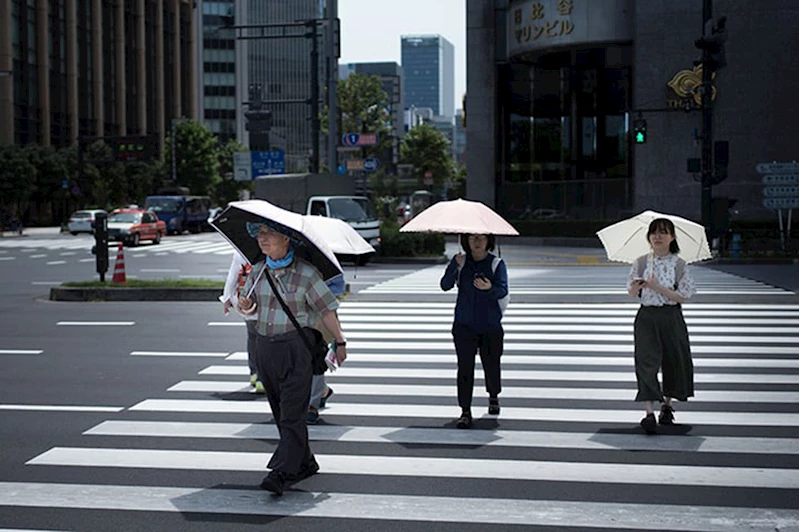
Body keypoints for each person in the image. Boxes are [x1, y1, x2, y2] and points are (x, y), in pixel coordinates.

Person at [237, 221, 347, 496]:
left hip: (296, 349)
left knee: (291, 413)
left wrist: (340, 341)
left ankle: (281, 471)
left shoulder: (306, 273)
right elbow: (249, 307)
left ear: (286, 239)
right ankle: (305, 462)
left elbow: (327, 310)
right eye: (260, 233)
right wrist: (245, 306)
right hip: (265, 347)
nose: (262, 238)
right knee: (280, 411)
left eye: (269, 233)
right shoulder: (258, 270)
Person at [626, 218, 697, 435]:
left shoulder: (679, 265)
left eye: (663, 232)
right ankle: (649, 413)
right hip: (647, 316)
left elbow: (682, 296)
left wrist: (657, 287)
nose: (658, 237)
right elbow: (631, 293)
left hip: (671, 316)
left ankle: (667, 405)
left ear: (672, 237)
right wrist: (637, 286)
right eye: (654, 232)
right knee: (645, 362)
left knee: (673, 360)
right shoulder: (640, 262)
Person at [440, 233, 508, 429]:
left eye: (481, 238)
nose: (477, 242)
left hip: (490, 325)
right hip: (464, 324)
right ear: (466, 241)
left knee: (491, 365)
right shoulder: (461, 262)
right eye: (472, 238)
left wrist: (489, 288)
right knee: (464, 368)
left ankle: (493, 395)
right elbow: (445, 285)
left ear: (488, 241)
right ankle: (465, 411)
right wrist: (455, 266)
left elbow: (503, 290)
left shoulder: (496, 264)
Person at [220, 252, 263, 393]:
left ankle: (254, 373)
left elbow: (233, 275)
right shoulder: (271, 251)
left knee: (252, 338)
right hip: (265, 302)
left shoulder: (241, 252)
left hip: (245, 301)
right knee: (265, 340)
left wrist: (227, 298)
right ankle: (262, 377)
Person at [307, 273, 345, 424]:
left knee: (315, 357)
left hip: (318, 314)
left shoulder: (323, 266)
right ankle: (322, 391)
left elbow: (338, 286)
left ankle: (311, 404)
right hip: (290, 317)